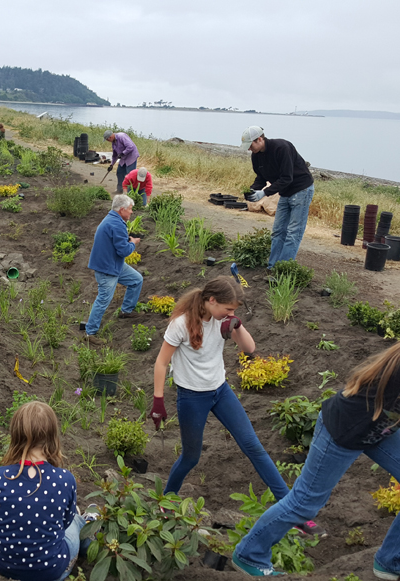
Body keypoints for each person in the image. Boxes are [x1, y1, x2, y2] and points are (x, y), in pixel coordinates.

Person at [233, 311, 400, 579]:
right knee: (305, 503)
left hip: (380, 429)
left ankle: (395, 561)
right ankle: (249, 555)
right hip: (345, 427)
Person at [147, 276, 325, 536]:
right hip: (192, 397)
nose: (230, 313)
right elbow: (162, 362)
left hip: (220, 391)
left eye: (234, 311)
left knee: (254, 446)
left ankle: (294, 511)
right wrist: (158, 400)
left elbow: (250, 349)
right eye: (228, 309)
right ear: (211, 301)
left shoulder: (224, 321)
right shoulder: (181, 325)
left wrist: (237, 326)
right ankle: (168, 499)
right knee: (191, 456)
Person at [0, 401, 92, 581]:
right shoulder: (65, 479)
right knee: (75, 521)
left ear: (15, 435)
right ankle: (91, 529)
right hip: (52, 571)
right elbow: (64, 524)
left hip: (6, 568)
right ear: (53, 437)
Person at [241, 126, 315, 270]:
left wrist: (265, 193)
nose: (249, 149)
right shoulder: (256, 155)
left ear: (260, 139)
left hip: (301, 189)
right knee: (278, 230)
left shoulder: (281, 148)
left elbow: (287, 178)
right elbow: (261, 177)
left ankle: (283, 269)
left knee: (293, 232)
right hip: (285, 192)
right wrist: (253, 190)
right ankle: (272, 267)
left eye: (250, 145)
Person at [85, 194, 142, 344]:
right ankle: (90, 333)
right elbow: (123, 251)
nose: (131, 212)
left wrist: (126, 241)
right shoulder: (116, 224)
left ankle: (126, 311)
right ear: (122, 209)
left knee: (136, 280)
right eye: (130, 209)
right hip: (107, 268)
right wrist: (133, 243)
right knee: (103, 299)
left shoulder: (112, 219)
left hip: (113, 263)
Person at [104, 130, 139, 194]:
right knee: (119, 172)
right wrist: (111, 165)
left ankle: (130, 192)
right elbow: (114, 155)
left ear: (110, 137)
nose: (108, 141)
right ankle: (120, 190)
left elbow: (131, 146)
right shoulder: (113, 143)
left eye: (107, 139)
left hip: (131, 157)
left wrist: (123, 153)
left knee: (130, 175)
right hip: (123, 158)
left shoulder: (121, 136)